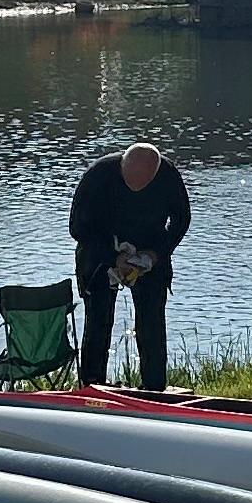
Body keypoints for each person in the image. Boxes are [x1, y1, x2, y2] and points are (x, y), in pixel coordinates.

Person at [67, 138, 191, 389]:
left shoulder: (168, 176)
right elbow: (78, 228)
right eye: (131, 182)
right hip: (101, 252)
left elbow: (181, 220)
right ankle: (92, 386)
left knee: (151, 322)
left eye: (144, 184)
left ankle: (155, 387)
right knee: (98, 321)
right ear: (123, 165)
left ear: (155, 173)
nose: (137, 188)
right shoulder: (98, 176)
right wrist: (114, 257)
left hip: (148, 251)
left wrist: (157, 254)